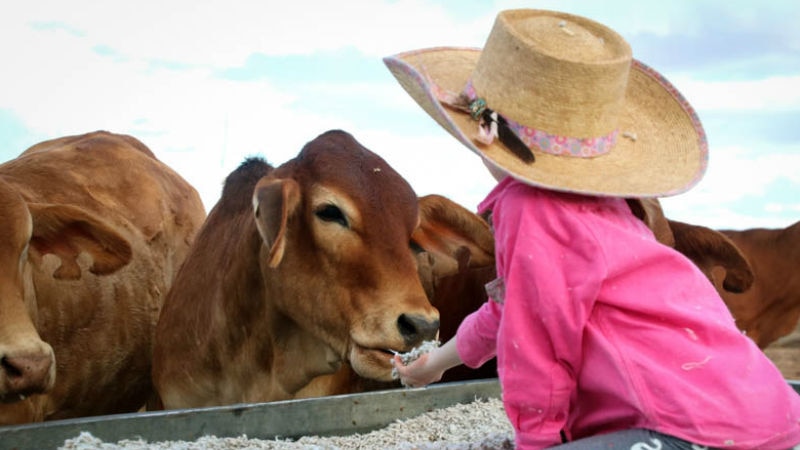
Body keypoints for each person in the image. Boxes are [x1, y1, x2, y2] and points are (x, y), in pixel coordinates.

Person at [383, 8, 800, 450]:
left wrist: (538, 443)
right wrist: (435, 364)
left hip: (687, 431)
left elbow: (536, 350)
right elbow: (514, 306)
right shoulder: (609, 207)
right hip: (766, 415)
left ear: (484, 133)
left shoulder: (531, 207)